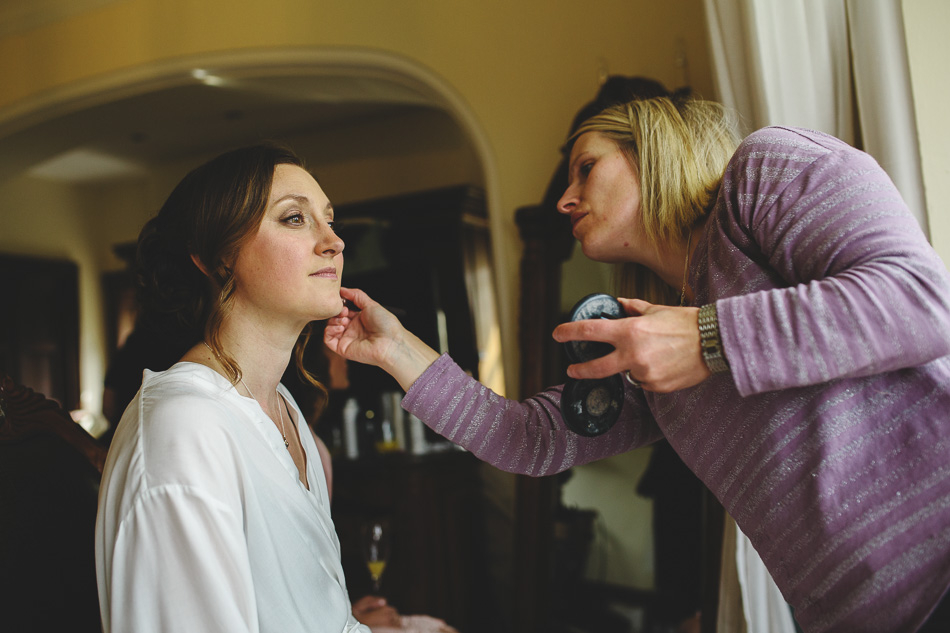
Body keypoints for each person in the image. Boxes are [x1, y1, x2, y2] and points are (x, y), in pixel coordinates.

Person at [324, 95, 950, 633]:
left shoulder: (767, 170)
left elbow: (924, 302)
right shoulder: (652, 340)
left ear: (654, 150)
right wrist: (396, 349)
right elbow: (527, 440)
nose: (566, 200)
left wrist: (708, 337)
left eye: (586, 168)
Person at [95, 142, 370, 632]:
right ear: (216, 257)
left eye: (330, 220)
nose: (333, 242)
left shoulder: (283, 408)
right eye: (294, 219)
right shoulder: (185, 429)